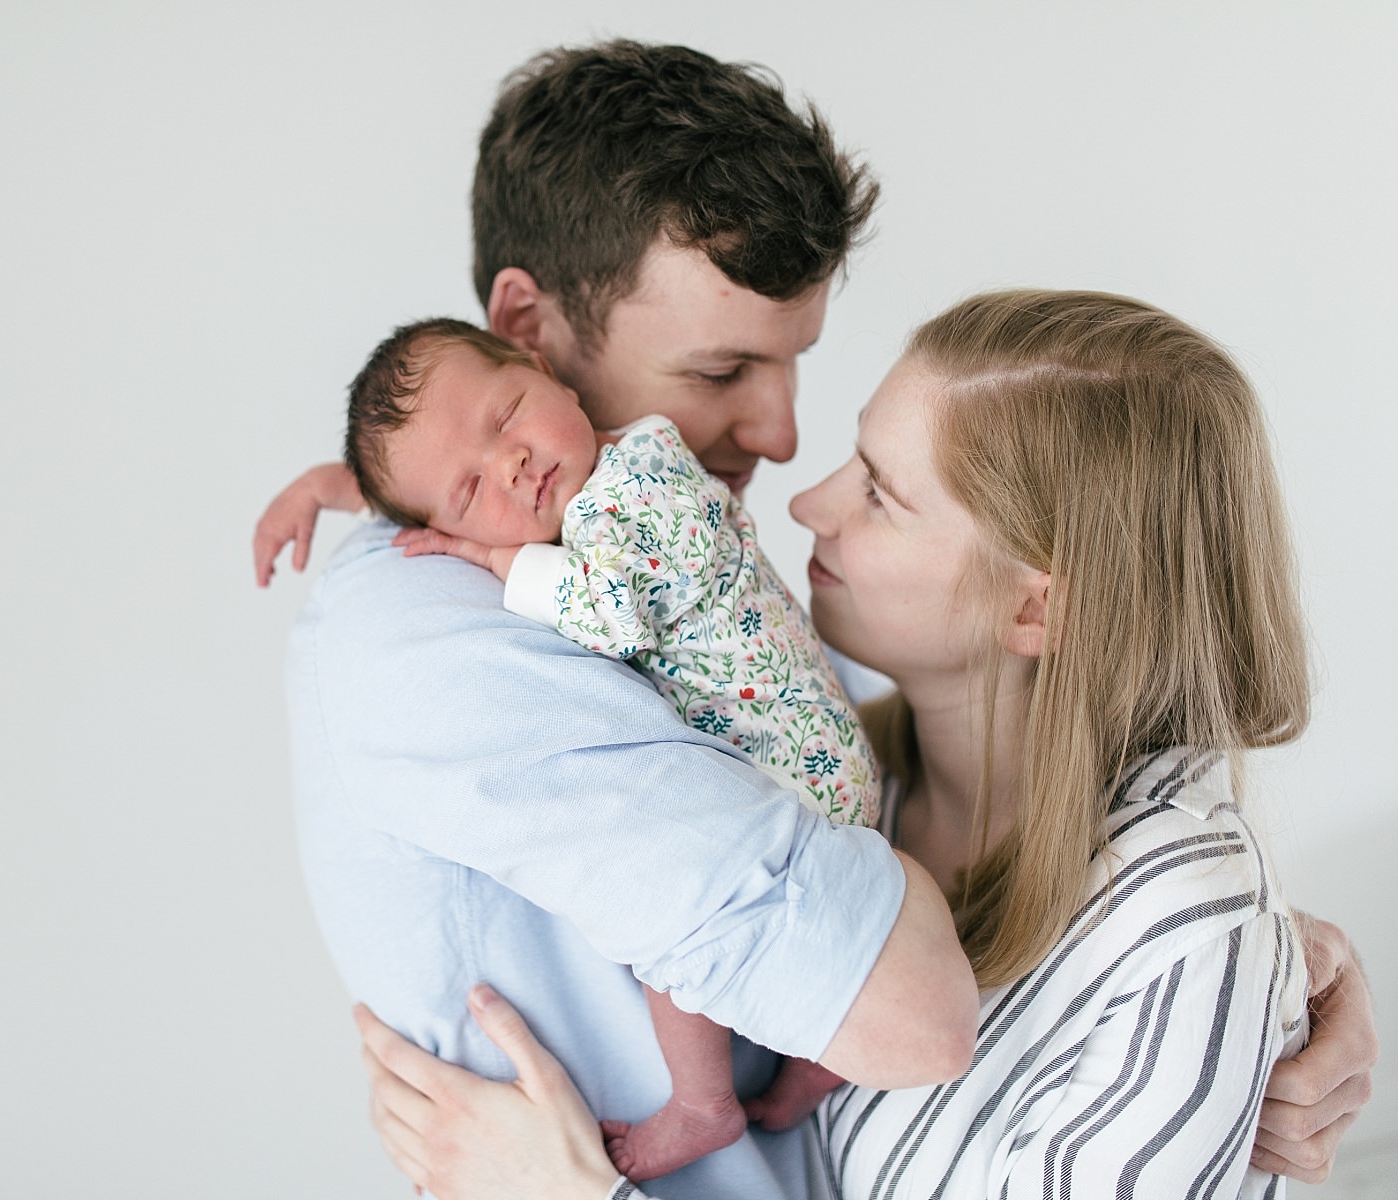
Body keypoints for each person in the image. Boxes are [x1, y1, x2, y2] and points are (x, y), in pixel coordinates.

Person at [266, 40, 1372, 1196]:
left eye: (796, 365)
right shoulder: (438, 637)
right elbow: (916, 1012)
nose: (785, 442)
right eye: (721, 369)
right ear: (531, 332)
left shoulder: (681, 588)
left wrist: (1261, 980)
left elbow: (1002, 839)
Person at [355, 289, 1327, 1198]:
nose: (806, 502)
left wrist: (570, 1190)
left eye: (880, 494)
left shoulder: (1187, 933)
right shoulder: (867, 782)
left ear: (1035, 607)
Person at [266, 315, 881, 1178]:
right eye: (473, 492)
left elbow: (609, 611)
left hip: (792, 772)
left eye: (508, 415)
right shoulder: (610, 468)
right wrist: (327, 487)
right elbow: (433, 460)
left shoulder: (641, 486)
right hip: (816, 759)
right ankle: (815, 1062)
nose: (511, 465)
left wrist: (486, 553)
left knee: (676, 930)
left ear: (543, 366)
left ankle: (702, 1105)